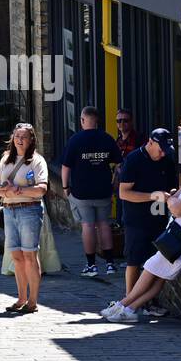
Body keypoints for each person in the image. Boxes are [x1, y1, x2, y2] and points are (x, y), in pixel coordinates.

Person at [103, 145, 181, 323]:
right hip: (179, 235)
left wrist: (171, 200)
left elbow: (177, 208)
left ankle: (123, 304)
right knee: (158, 278)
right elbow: (175, 197)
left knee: (150, 267)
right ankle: (130, 308)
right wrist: (173, 199)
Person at [117, 128, 180, 313]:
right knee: (134, 260)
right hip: (136, 218)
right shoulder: (134, 160)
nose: (162, 154)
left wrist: (174, 195)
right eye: (160, 149)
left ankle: (150, 303)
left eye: (165, 150)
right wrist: (154, 196)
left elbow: (172, 187)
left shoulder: (166, 160)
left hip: (159, 217)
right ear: (150, 142)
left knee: (155, 260)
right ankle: (128, 303)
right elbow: (124, 193)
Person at [0, 122, 49, 314]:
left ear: (31, 139)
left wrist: (19, 189)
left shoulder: (37, 161)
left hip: (29, 210)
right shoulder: (6, 159)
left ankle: (32, 301)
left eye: (24, 137)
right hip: (9, 210)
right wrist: (3, 188)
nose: (19, 140)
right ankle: (20, 298)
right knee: (16, 256)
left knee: (29, 255)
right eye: (17, 136)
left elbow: (42, 189)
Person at [61, 106, 122, 277]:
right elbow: (119, 164)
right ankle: (110, 264)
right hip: (103, 189)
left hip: (82, 190)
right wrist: (115, 181)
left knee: (87, 225)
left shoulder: (75, 140)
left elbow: (66, 167)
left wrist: (65, 187)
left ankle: (91, 265)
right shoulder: (107, 139)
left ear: (82, 120)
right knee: (104, 224)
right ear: (97, 121)